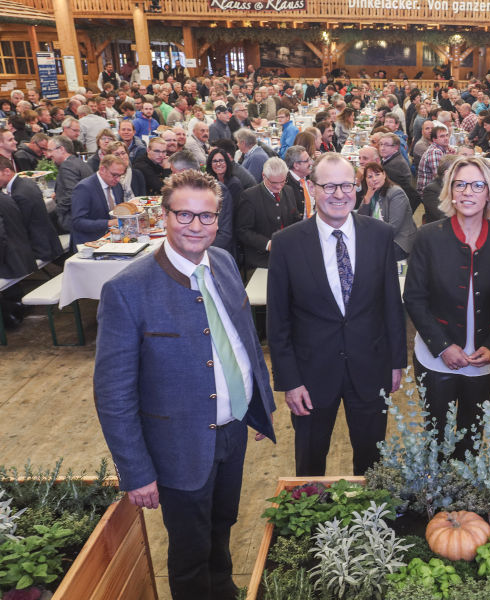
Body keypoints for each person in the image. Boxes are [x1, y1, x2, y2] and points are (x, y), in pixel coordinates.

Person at [94, 169, 276, 600]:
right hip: (177, 445)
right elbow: (113, 393)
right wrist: (136, 472)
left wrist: (254, 404)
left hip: (231, 432)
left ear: (218, 219)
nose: (197, 226)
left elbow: (243, 340)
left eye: (206, 217)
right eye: (185, 215)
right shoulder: (127, 290)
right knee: (189, 547)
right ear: (164, 215)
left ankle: (224, 590)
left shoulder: (226, 263)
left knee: (222, 525)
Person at [267, 153, 407, 476]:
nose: (339, 194)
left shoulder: (380, 235)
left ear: (357, 188)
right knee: (310, 464)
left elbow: (391, 303)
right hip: (311, 377)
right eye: (329, 186)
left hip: (370, 368)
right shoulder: (286, 244)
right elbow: (278, 321)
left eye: (346, 185)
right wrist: (289, 381)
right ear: (312, 189)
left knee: (372, 463)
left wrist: (397, 361)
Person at [404, 155, 490, 455]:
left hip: (484, 360)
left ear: (489, 192)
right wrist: (443, 346)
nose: (468, 192)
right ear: (450, 192)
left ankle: (467, 503)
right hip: (434, 358)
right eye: (460, 185)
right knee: (436, 439)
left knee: (471, 440)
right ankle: (437, 503)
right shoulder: (428, 237)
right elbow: (414, 298)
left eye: (477, 185)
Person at [236, 157, 302, 269]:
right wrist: (267, 244)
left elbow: (294, 219)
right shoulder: (249, 196)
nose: (279, 186)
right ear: (263, 176)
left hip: (288, 253)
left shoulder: (289, 191)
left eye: (282, 181)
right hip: (261, 258)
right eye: (273, 183)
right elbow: (242, 231)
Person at [0, 156, 63, 262]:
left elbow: (20, 227)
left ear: (6, 171)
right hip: (48, 241)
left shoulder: (19, 194)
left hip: (39, 247)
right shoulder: (26, 183)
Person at [357, 162, 416, 260]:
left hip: (398, 241)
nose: (374, 179)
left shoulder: (396, 193)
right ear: (366, 180)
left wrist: (372, 241)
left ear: (384, 175)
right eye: (370, 177)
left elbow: (393, 228)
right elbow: (360, 222)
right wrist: (367, 200)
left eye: (377, 174)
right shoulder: (371, 192)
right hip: (379, 236)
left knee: (368, 256)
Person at [70, 155, 126, 247]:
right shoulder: (84, 188)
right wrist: (108, 223)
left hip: (114, 238)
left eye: (120, 175)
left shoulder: (117, 186)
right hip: (90, 242)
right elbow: (78, 222)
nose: (118, 179)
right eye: (114, 175)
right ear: (102, 169)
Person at [47, 135, 93, 233]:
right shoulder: (79, 162)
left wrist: (58, 211)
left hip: (73, 219)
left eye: (50, 150)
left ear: (62, 149)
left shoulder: (67, 166)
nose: (48, 155)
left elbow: (72, 193)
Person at [207, 149, 244, 213]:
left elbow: (234, 211)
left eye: (221, 161)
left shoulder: (234, 184)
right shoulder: (211, 181)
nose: (218, 164)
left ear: (227, 162)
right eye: (215, 161)